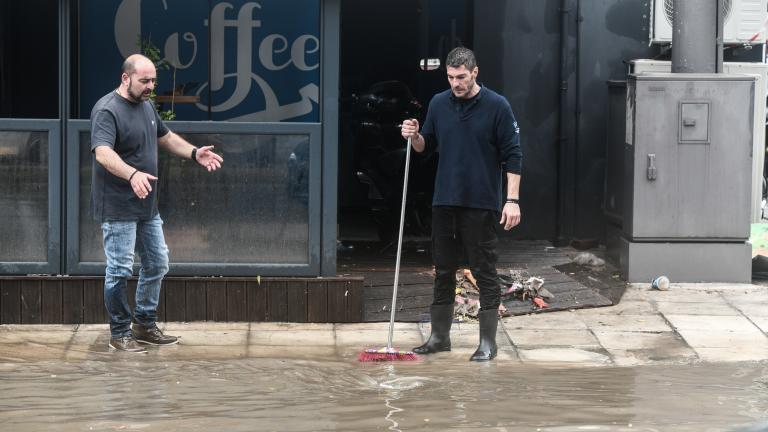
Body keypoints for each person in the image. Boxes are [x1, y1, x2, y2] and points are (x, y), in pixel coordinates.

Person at [90, 54, 223, 353]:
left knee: (157, 263)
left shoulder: (146, 105)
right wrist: (132, 173)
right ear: (126, 78)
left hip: (146, 206)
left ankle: (144, 325)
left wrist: (194, 153)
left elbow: (165, 136)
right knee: (119, 270)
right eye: (144, 81)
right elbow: (103, 153)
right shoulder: (107, 110)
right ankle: (120, 333)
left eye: (153, 80)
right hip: (118, 206)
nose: (150, 86)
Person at [400, 47, 522, 361]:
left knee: (484, 270)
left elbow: (513, 156)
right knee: (443, 269)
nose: (456, 83)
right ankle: (439, 337)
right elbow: (425, 146)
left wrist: (512, 200)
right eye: (451, 77)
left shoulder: (497, 106)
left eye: (462, 77)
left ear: (475, 73)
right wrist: (413, 135)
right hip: (444, 200)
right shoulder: (438, 103)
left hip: (481, 202)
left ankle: (488, 343)